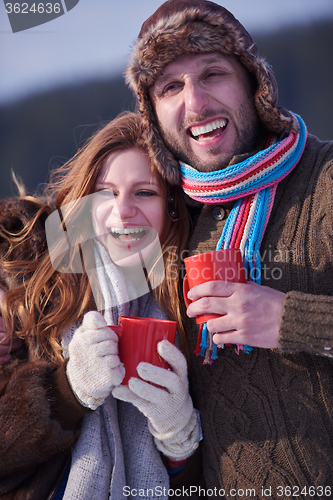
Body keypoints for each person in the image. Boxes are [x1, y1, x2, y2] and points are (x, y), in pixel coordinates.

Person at [124, 0, 333, 496]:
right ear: (152, 112)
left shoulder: (325, 180)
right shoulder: (165, 217)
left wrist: (294, 320)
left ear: (253, 84)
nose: (195, 103)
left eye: (212, 73)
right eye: (170, 87)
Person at [0, 112, 201, 499]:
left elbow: (204, 484)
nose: (123, 210)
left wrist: (179, 437)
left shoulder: (188, 302)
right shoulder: (24, 276)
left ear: (172, 206)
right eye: (106, 193)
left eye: (144, 193)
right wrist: (68, 389)